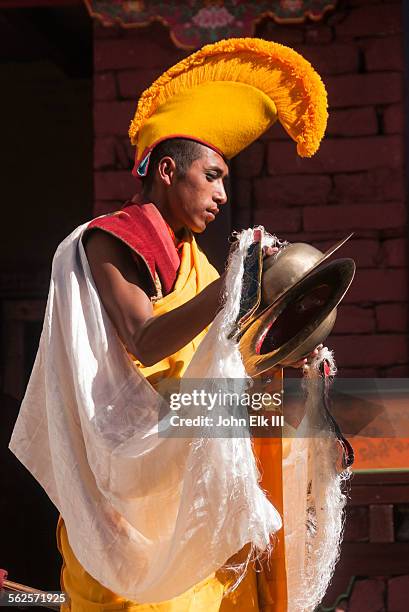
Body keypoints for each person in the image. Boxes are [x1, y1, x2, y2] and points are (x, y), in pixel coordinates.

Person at [10, 38, 328, 611]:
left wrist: (288, 358)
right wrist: (233, 290)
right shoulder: (107, 239)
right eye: (212, 176)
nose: (222, 194)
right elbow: (146, 340)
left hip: (191, 495)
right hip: (124, 502)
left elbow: (226, 365)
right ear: (166, 170)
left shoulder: (198, 265)